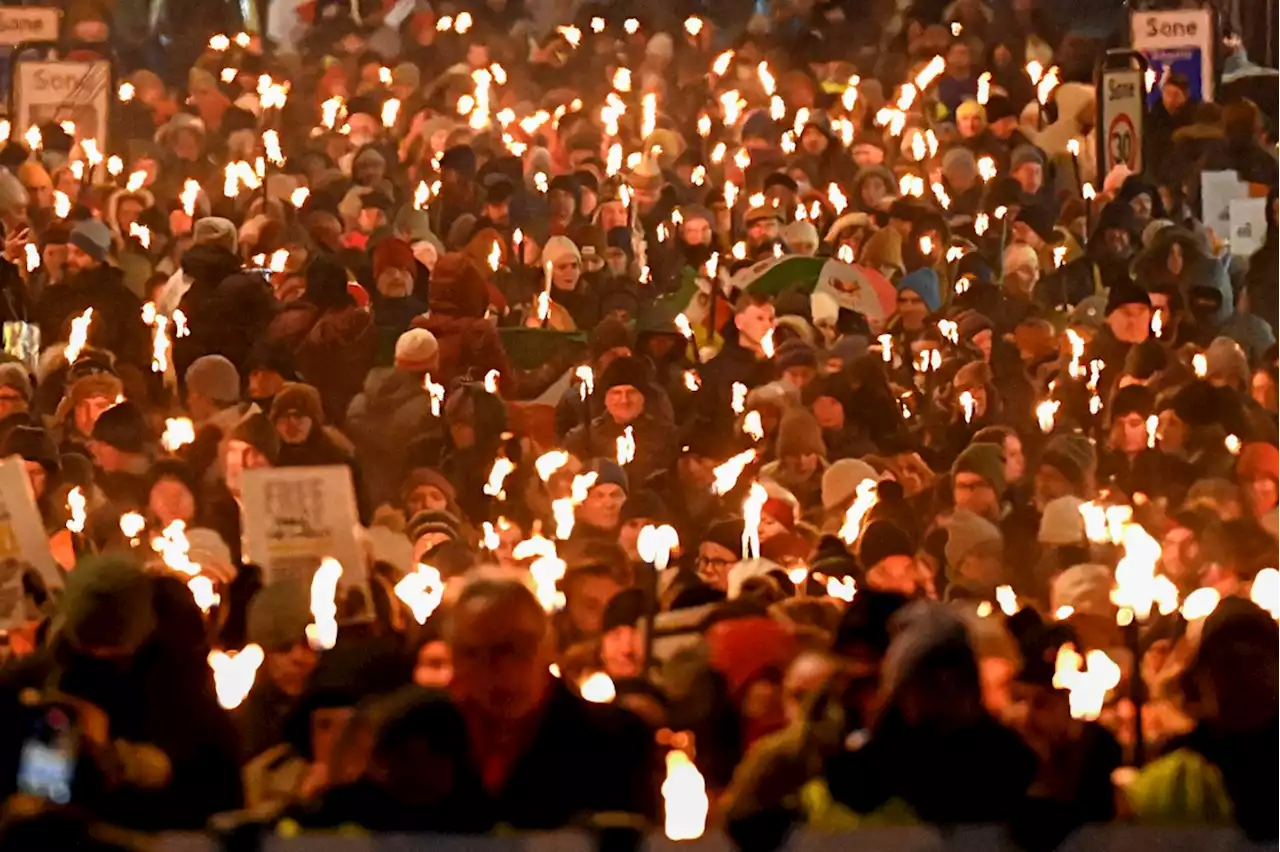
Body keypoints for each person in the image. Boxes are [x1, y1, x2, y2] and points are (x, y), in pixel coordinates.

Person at [447, 575, 657, 827]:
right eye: (471, 653)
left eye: (508, 649)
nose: (491, 667)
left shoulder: (616, 739)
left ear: (546, 647)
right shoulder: (425, 739)